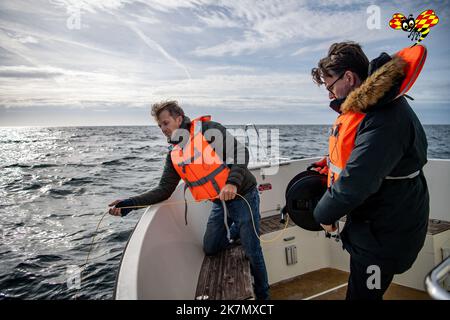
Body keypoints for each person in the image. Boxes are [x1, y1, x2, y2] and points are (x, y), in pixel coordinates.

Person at [108, 100, 270, 300]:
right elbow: (164, 189)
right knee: (210, 248)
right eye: (159, 126)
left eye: (165, 123)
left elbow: (240, 152)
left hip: (243, 195)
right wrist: (128, 205)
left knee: (252, 250)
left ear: (178, 118)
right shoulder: (174, 154)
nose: (163, 130)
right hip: (220, 204)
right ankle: (238, 228)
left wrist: (232, 183)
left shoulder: (209, 130)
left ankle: (264, 296)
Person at [310, 42, 429, 300]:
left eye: (330, 86)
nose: (329, 95)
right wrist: (330, 164)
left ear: (350, 77)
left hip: (385, 234)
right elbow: (364, 157)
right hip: (376, 227)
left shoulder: (385, 117)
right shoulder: (377, 109)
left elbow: (357, 181)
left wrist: (322, 213)